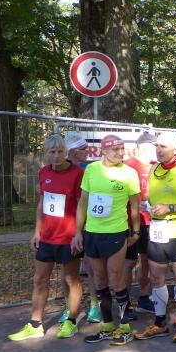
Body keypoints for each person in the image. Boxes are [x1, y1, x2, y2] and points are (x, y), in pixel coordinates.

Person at [9, 135, 84, 341]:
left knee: (71, 279)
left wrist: (78, 233)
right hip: (47, 237)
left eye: (60, 151)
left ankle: (71, 321)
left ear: (65, 152)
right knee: (39, 279)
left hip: (68, 237)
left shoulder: (77, 173)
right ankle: (35, 324)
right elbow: (42, 203)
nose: (57, 156)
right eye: (52, 152)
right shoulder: (44, 172)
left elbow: (81, 205)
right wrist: (37, 232)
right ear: (46, 154)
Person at [71, 135, 141, 345]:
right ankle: (108, 325)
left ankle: (125, 327)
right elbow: (83, 203)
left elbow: (135, 206)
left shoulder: (129, 172)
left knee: (116, 278)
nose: (120, 153)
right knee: (100, 280)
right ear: (103, 151)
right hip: (93, 233)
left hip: (116, 232)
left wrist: (136, 232)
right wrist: (78, 232)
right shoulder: (92, 170)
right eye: (115, 149)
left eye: (122, 148)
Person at [133, 132, 176, 343]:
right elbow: (151, 195)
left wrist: (170, 207)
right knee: (156, 279)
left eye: (163, 146)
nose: (158, 150)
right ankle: (160, 323)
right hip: (157, 230)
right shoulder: (154, 169)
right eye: (157, 146)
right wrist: (147, 202)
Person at [58, 133, 102, 324]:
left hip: (88, 226)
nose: (88, 152)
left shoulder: (90, 169)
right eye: (84, 149)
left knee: (91, 267)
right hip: (67, 227)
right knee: (67, 271)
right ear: (73, 152)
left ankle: (94, 305)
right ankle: (68, 306)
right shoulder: (61, 170)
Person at [124, 132, 157, 317]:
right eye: (155, 146)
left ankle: (144, 298)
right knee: (128, 263)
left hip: (151, 222)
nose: (157, 150)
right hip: (130, 221)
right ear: (145, 147)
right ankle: (125, 302)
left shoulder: (156, 166)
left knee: (147, 261)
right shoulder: (128, 165)